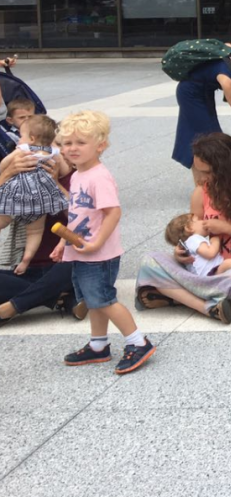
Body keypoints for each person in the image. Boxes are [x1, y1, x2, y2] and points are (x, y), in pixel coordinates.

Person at [136, 133, 231, 325]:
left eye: (208, 172)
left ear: (226, 168)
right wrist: (181, 252)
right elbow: (191, 234)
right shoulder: (200, 193)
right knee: (150, 261)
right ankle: (208, 306)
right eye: (199, 171)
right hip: (207, 271)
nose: (203, 178)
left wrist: (227, 228)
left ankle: (178, 295)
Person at [58, 111, 156, 374]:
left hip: (98, 253)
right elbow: (79, 215)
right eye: (67, 143)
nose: (73, 148)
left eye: (81, 142)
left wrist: (97, 243)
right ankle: (98, 345)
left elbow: (113, 212)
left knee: (104, 299)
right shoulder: (78, 176)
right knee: (93, 300)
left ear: (100, 145)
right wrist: (63, 242)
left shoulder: (98, 176)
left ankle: (138, 342)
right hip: (83, 249)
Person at [0, 147, 79, 325]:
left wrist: (55, 184)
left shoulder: (79, 177)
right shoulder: (20, 178)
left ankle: (10, 308)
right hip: (28, 269)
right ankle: (58, 297)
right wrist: (5, 175)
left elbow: (81, 217)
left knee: (81, 264)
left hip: (64, 266)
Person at [0, 115, 68, 274]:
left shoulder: (23, 151)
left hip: (17, 196)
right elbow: (64, 170)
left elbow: (4, 165)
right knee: (35, 232)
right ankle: (25, 261)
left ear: (31, 138)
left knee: (2, 221)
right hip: (41, 200)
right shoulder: (54, 153)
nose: (19, 139)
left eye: (21, 136)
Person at [162, 213, 231, 277]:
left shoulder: (193, 241)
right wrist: (215, 240)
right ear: (189, 228)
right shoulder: (193, 240)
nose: (203, 221)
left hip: (213, 270)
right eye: (199, 220)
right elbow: (210, 253)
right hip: (210, 275)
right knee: (228, 263)